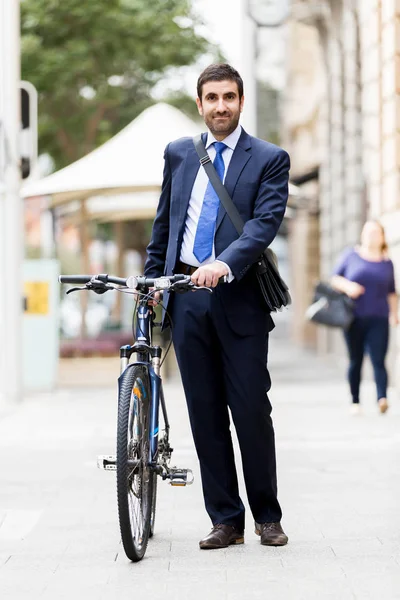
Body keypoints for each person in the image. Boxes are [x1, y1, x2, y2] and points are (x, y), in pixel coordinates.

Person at [144, 63, 290, 550]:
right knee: (204, 414)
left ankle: (267, 516)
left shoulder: (269, 158)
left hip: (239, 300)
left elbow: (262, 225)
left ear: (241, 102)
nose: (220, 106)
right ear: (200, 102)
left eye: (229, 97)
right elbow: (165, 222)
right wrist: (151, 277)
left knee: (250, 411)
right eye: (212, 98)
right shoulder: (180, 154)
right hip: (187, 301)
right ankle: (226, 519)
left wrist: (222, 265)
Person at [331, 220, 398, 415]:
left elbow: (392, 292)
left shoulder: (387, 263)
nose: (371, 236)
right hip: (353, 318)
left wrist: (394, 314)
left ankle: (382, 398)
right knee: (355, 360)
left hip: (379, 317)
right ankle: (355, 400)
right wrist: (348, 287)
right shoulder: (351, 256)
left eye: (376, 233)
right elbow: (335, 278)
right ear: (362, 235)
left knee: (379, 359)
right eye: (368, 232)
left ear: (383, 237)